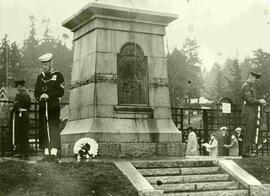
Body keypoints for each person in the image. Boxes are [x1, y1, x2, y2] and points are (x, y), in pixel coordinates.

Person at [34, 53, 65, 162]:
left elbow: (61, 91)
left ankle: (54, 152)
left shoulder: (58, 75)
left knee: (53, 127)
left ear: (51, 63)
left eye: (46, 64)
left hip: (53, 106)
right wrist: (40, 96)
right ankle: (46, 152)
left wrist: (49, 95)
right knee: (43, 128)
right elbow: (36, 92)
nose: (44, 67)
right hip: (43, 107)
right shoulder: (40, 77)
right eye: (43, 65)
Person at [241, 65, 266, 157]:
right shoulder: (246, 86)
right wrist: (259, 101)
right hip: (248, 113)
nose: (256, 81)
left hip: (251, 112)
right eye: (255, 79)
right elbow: (249, 99)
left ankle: (247, 151)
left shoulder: (250, 86)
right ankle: (245, 152)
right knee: (248, 132)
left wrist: (260, 102)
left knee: (251, 132)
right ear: (251, 77)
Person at [11, 80, 31, 159]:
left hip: (20, 116)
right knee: (25, 134)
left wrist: (13, 109)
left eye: (18, 87)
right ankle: (25, 153)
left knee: (20, 134)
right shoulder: (27, 95)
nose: (18, 88)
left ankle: (21, 152)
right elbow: (28, 105)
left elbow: (16, 106)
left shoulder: (19, 95)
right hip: (25, 115)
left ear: (20, 87)